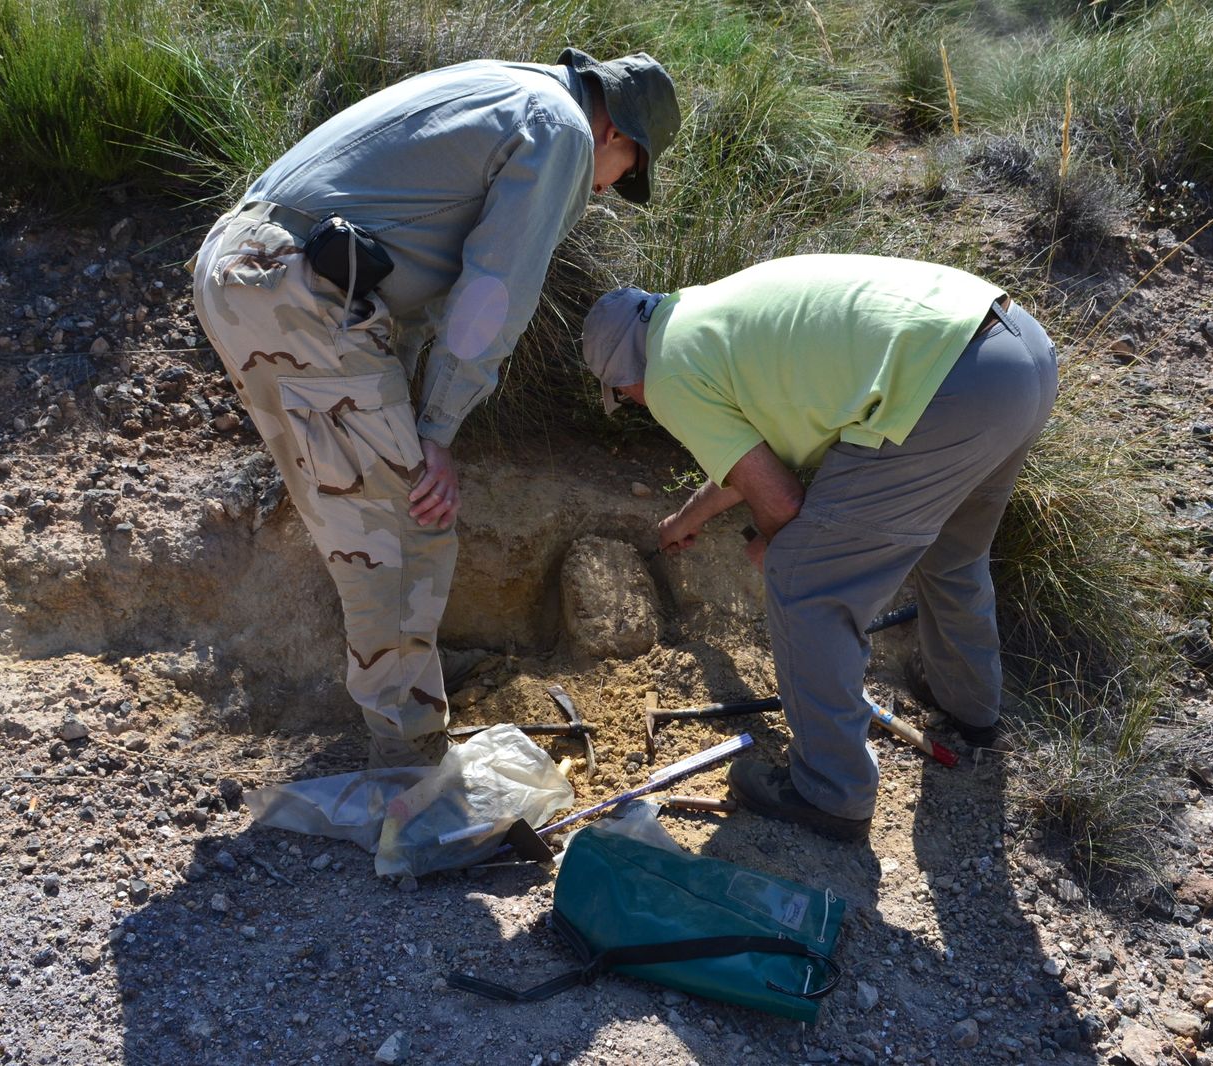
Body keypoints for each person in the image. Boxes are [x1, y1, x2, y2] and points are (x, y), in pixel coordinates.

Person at [192, 51, 680, 768]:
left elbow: (409, 279)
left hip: (250, 271)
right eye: (627, 174)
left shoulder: (504, 86)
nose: (607, 193)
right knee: (404, 522)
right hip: (299, 293)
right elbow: (493, 296)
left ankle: (403, 684)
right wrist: (439, 430)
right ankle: (410, 758)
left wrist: (418, 415)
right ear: (617, 133)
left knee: (369, 506)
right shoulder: (562, 129)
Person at [581, 255, 1059, 840]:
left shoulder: (671, 373)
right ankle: (971, 711)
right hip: (1017, 354)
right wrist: (689, 515)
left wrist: (779, 547)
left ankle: (831, 793)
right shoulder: (704, 313)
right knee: (953, 555)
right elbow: (755, 461)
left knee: (805, 583)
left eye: (625, 395)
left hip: (947, 390)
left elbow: (779, 502)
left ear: (626, 373)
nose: (635, 402)